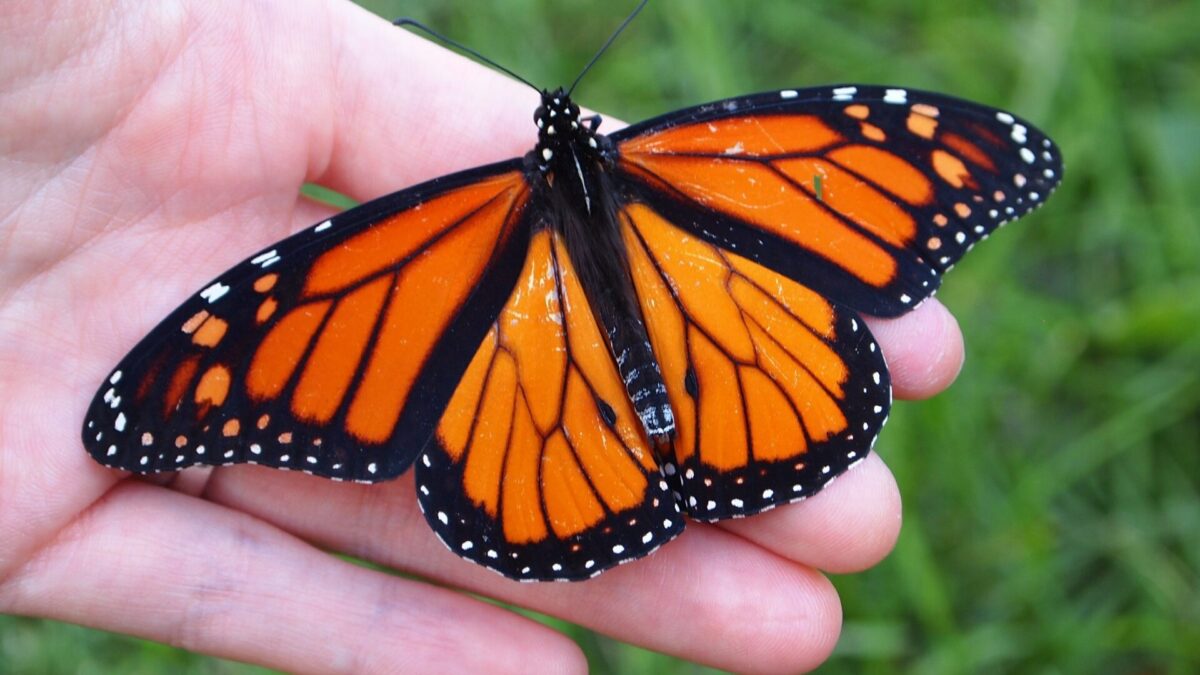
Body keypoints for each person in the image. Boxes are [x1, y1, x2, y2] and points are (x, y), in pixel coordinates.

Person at [0, 1, 965, 672]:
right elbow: (282, 337)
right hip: (697, 336)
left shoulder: (441, 232)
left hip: (572, 380)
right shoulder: (702, 159)